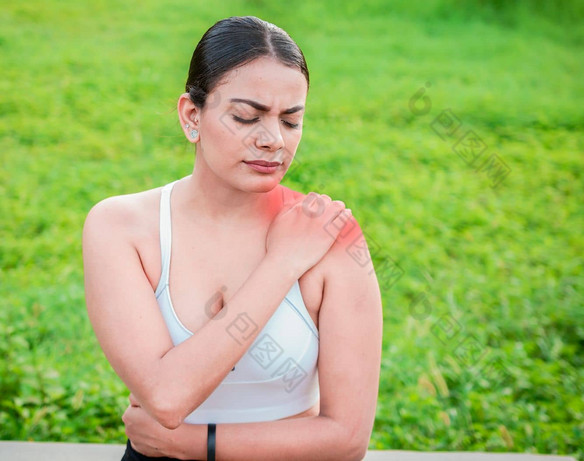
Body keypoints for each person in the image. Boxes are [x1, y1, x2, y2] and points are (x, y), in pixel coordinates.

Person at [82, 16, 383, 461]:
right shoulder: (122, 227)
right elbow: (166, 397)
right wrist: (281, 264)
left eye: (291, 121)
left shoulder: (328, 236)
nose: (273, 141)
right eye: (246, 117)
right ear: (192, 116)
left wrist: (193, 444)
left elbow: (347, 438)